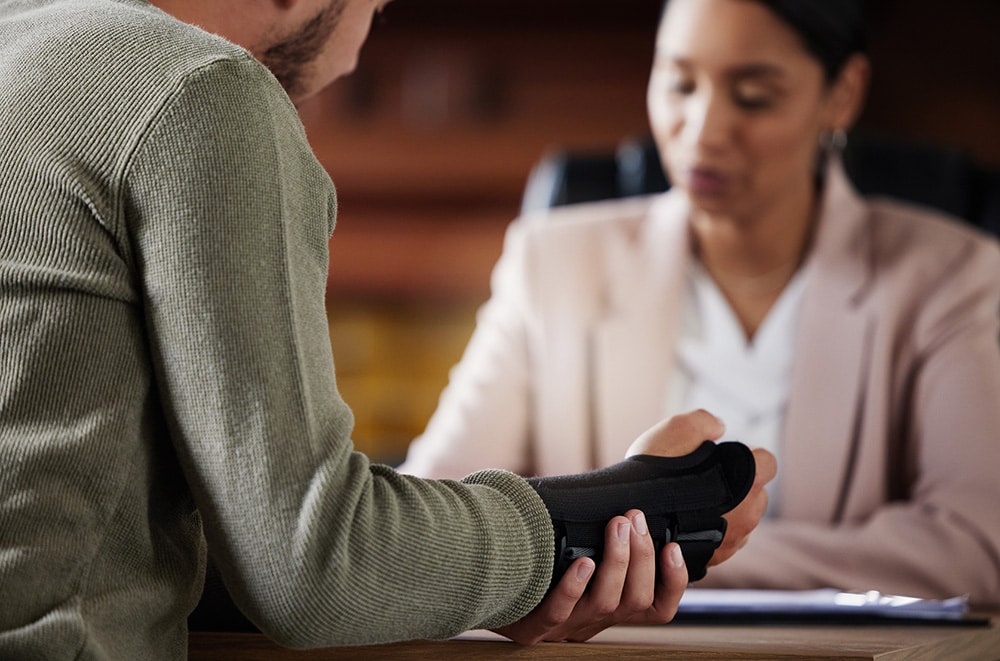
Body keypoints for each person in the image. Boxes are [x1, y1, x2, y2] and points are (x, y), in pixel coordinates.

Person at [0, 0, 776, 658]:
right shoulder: (202, 89)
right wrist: (661, 500)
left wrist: (493, 578)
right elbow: (313, 562)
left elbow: (97, 541)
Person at [400, 0, 1000, 606]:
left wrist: (665, 546)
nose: (704, 128)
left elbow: (978, 548)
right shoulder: (552, 264)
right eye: (680, 83)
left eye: (753, 96)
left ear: (842, 93)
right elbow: (422, 528)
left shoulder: (948, 275)